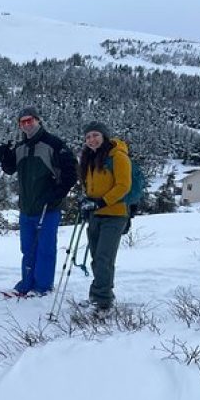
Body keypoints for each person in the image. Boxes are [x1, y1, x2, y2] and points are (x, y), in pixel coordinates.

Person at [0, 107, 76, 296]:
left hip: (48, 207)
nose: (26, 125)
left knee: (45, 249)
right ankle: (26, 283)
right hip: (27, 206)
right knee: (28, 248)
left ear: (38, 120)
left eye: (29, 120)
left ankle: (42, 286)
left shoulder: (53, 144)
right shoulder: (21, 147)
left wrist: (57, 193)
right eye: (22, 122)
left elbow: (71, 173)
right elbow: (10, 169)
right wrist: (3, 155)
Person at [78, 121, 131, 311]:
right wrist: (87, 201)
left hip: (114, 215)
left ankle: (102, 301)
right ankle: (99, 295)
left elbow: (124, 186)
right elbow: (91, 186)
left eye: (95, 135)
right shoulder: (90, 157)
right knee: (96, 257)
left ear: (104, 136)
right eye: (88, 137)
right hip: (96, 214)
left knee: (104, 258)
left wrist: (101, 201)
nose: (91, 140)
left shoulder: (117, 156)